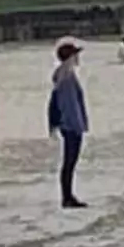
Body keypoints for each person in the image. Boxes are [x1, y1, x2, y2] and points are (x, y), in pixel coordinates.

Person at [48, 38, 89, 208]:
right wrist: (76, 126)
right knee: (69, 162)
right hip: (71, 126)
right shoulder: (66, 77)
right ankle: (67, 197)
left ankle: (68, 195)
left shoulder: (64, 75)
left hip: (70, 125)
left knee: (69, 163)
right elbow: (69, 105)